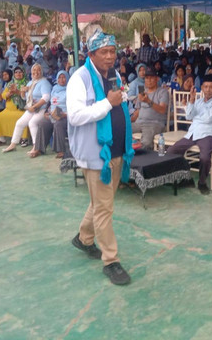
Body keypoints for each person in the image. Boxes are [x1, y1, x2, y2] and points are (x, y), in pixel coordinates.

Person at [67, 28, 134, 286]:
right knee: (105, 207)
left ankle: (83, 238)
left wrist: (122, 98)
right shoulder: (79, 78)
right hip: (97, 154)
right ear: (91, 53)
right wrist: (109, 103)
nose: (109, 57)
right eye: (104, 52)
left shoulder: (114, 75)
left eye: (112, 51)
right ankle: (111, 261)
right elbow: (75, 115)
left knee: (100, 203)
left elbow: (118, 100)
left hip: (117, 149)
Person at [167, 74, 212, 195]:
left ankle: (202, 182)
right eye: (206, 87)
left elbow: (208, 119)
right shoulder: (197, 102)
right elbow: (188, 116)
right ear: (202, 87)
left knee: (204, 157)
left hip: (209, 134)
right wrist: (191, 101)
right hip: (193, 132)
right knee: (172, 151)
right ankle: (186, 177)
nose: (208, 90)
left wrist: (196, 117)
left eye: (211, 87)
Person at [3, 64, 52, 154]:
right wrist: (22, 91)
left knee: (32, 123)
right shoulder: (30, 83)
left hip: (41, 109)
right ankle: (13, 144)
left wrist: (35, 106)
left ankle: (36, 147)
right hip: (31, 108)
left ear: (41, 71)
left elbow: (46, 97)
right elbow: (25, 98)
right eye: (34, 70)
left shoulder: (44, 82)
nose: (35, 72)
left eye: (38, 70)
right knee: (19, 123)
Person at [31, 70, 69, 158]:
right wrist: (47, 112)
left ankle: (61, 150)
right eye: (59, 77)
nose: (62, 80)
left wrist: (64, 114)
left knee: (58, 125)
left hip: (65, 115)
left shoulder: (71, 89)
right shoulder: (54, 89)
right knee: (43, 123)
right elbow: (50, 103)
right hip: (53, 114)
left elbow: (74, 106)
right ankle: (39, 149)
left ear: (67, 78)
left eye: (64, 77)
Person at [130, 70, 169, 150]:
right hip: (139, 123)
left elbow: (162, 110)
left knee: (146, 143)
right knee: (121, 131)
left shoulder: (162, 92)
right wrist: (127, 121)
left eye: (151, 78)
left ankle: (140, 160)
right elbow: (137, 112)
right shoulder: (142, 92)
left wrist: (148, 101)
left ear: (157, 79)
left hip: (154, 124)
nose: (149, 80)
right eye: (147, 78)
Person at [0, 66, 29, 147]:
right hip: (9, 109)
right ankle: (2, 138)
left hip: (22, 108)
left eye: (20, 72)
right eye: (16, 72)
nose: (18, 74)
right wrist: (9, 94)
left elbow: (29, 96)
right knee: (0, 116)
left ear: (23, 73)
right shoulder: (10, 84)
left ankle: (24, 138)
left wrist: (18, 92)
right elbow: (3, 95)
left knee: (23, 116)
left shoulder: (27, 83)